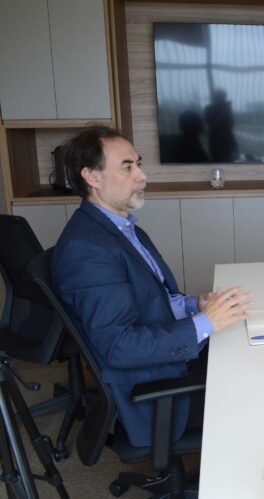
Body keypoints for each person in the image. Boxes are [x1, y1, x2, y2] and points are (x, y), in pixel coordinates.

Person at [52, 127, 252, 447]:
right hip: (156, 392)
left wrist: (194, 305)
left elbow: (152, 297)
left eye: (139, 164)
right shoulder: (87, 250)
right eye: (127, 167)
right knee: (262, 386)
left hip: (171, 358)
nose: (142, 175)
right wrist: (206, 323)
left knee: (252, 352)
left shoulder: (121, 228)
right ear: (92, 176)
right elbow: (119, 345)